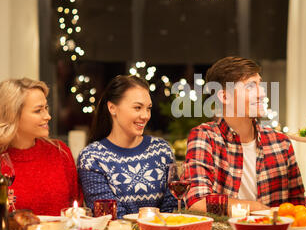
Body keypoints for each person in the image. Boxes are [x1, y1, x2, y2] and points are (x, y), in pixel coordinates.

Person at [184, 56, 305, 213]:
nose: (262, 93)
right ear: (224, 97)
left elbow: (298, 205)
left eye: (259, 84)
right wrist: (256, 208)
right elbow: (197, 202)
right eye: (250, 86)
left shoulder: (281, 142)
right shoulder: (205, 137)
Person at [77, 75, 177, 218]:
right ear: (112, 108)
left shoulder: (162, 150)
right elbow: (111, 217)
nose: (145, 116)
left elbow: (173, 209)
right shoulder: (92, 158)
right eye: (137, 107)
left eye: (148, 108)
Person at [0, 78, 82, 216]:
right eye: (38, 111)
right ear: (13, 115)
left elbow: (76, 208)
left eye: (46, 108)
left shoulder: (60, 152)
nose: (48, 116)